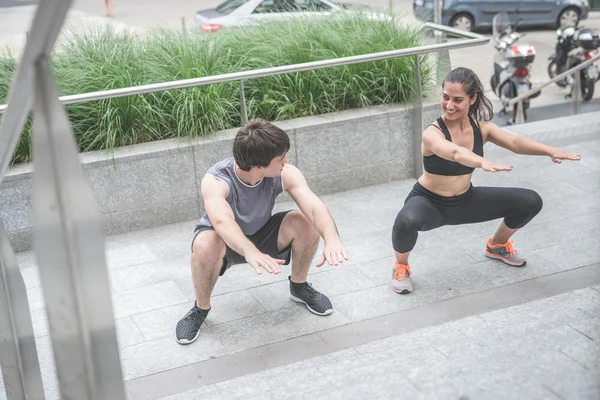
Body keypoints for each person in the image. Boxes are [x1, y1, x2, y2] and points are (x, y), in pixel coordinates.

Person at [390, 67, 581, 294]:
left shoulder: (482, 129)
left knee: (530, 201)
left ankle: (497, 245)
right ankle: (401, 266)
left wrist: (550, 150)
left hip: (465, 201)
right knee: (405, 221)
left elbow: (516, 143)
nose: (449, 105)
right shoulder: (432, 133)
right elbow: (454, 152)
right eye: (445, 97)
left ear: (472, 99)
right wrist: (481, 162)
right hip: (429, 203)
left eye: (457, 100)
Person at [176, 118, 348, 345]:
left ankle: (299, 287)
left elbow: (314, 207)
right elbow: (222, 222)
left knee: (304, 222)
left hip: (262, 232)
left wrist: (332, 238)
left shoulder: (285, 172)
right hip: (224, 241)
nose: (286, 161)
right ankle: (200, 308)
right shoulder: (217, 180)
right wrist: (250, 251)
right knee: (204, 244)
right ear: (258, 166)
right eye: (280, 158)